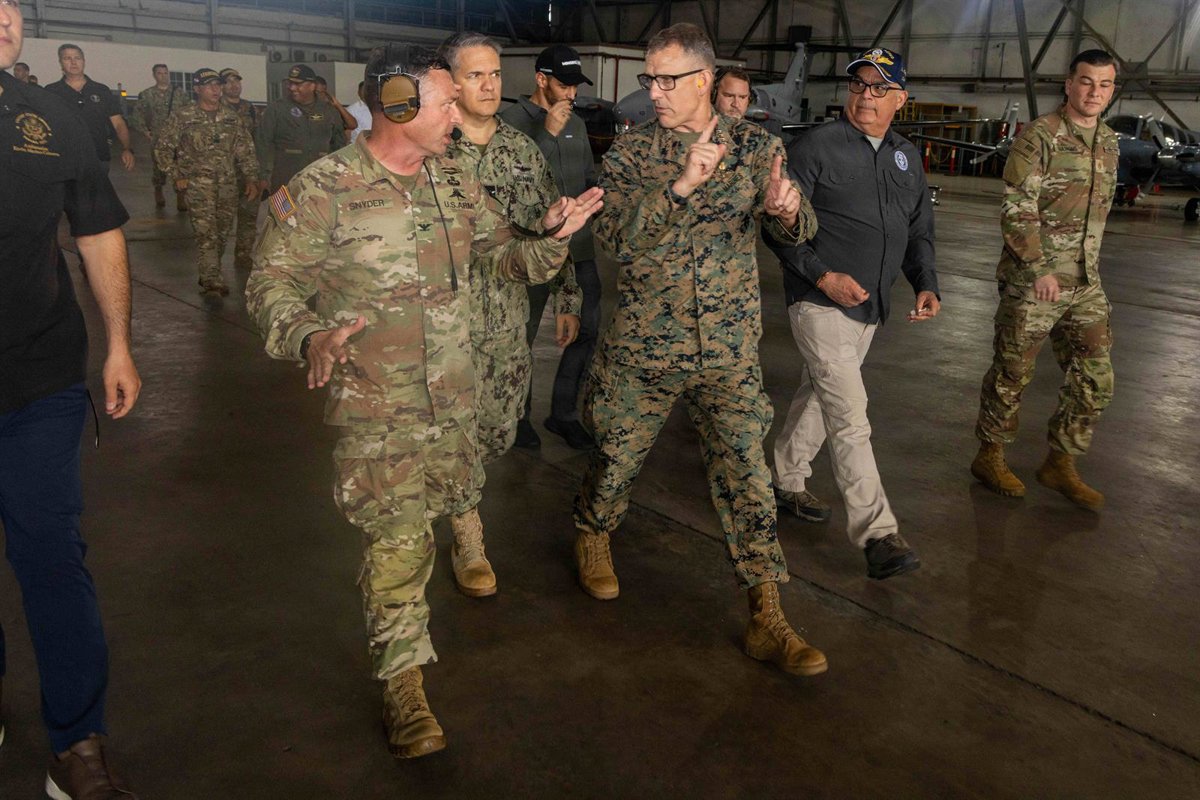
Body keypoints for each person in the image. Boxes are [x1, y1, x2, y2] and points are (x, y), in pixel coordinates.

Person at [245, 44, 603, 759]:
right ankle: (403, 681)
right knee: (400, 543)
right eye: (444, 103)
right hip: (379, 408)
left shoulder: (456, 181)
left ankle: (409, 632)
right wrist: (310, 335)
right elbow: (270, 285)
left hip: (456, 399)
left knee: (435, 517)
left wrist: (553, 238)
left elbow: (502, 256)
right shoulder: (323, 188)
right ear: (397, 103)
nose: (458, 116)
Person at [573, 23, 826, 677]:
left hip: (727, 348)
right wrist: (679, 187)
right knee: (614, 458)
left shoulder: (757, 147)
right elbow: (616, 240)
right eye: (649, 78)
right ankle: (593, 530)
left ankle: (767, 614)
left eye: (668, 79)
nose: (654, 91)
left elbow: (798, 229)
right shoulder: (633, 154)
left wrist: (787, 210)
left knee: (748, 477)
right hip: (643, 346)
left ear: (705, 80)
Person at [1, 2, 143, 795]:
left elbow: (96, 230)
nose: (2, 16)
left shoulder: (49, 116)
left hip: (41, 377)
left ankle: (78, 743)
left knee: (52, 554)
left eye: (10, 2)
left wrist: (119, 343)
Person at [769, 47, 939, 580]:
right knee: (850, 415)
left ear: (900, 99)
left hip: (871, 305)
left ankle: (786, 480)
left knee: (820, 396)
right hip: (819, 301)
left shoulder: (905, 156)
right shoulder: (815, 147)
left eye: (879, 88)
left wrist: (925, 282)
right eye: (859, 85)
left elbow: (918, 228)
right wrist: (823, 276)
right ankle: (878, 535)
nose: (866, 96)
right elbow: (777, 225)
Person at [437, 33, 581, 598]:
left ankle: (457, 498)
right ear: (451, 83)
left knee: (498, 429)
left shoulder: (522, 151)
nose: (489, 84)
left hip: (505, 317)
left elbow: (554, 223)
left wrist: (567, 297)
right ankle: (466, 531)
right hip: (441, 322)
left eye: (495, 73)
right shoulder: (431, 148)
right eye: (475, 75)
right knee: (453, 431)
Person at [970, 50, 1119, 512]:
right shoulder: (1040, 135)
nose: (1094, 92)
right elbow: (1017, 207)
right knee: (1012, 372)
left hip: (1085, 281)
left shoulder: (1108, 141)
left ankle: (1060, 461)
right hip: (1034, 280)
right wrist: (1039, 269)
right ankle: (990, 455)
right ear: (1069, 84)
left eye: (1105, 84)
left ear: (1112, 90)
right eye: (1086, 81)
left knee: (1096, 376)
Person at [501, 44, 601, 451]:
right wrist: (547, 134)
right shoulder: (510, 124)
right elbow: (512, 184)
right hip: (531, 248)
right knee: (521, 336)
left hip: (578, 248)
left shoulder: (577, 122)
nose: (571, 94)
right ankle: (517, 418)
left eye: (576, 86)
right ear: (541, 80)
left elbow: (588, 175)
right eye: (564, 85)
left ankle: (563, 414)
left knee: (587, 330)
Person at [156, 68, 259, 295]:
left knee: (222, 232)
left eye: (218, 85)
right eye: (210, 85)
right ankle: (211, 277)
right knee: (206, 232)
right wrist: (176, 175)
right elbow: (163, 149)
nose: (216, 89)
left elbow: (245, 150)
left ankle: (211, 271)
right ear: (197, 89)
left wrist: (251, 178)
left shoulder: (231, 117)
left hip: (227, 185)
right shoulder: (183, 116)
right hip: (197, 186)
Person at [45, 43, 135, 174]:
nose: (73, 62)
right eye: (67, 58)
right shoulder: (51, 91)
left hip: (98, 156)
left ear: (84, 61)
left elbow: (118, 123)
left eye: (77, 58)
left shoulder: (101, 90)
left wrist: (127, 148)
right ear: (61, 63)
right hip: (64, 158)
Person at [255, 64, 346, 193]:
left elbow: (339, 144)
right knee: (284, 207)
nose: (292, 88)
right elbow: (262, 143)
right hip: (285, 179)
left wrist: (339, 173)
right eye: (290, 83)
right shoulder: (277, 109)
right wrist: (262, 176)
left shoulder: (328, 111)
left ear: (312, 86)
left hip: (320, 179)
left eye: (298, 84)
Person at [133, 63, 192, 210]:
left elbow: (190, 112)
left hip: (178, 137)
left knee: (180, 166)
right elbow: (137, 114)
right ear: (154, 75)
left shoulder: (180, 93)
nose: (163, 76)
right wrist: (145, 131)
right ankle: (158, 190)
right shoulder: (147, 94)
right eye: (160, 73)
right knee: (159, 167)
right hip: (158, 138)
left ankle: (180, 196)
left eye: (165, 73)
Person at [220, 67, 261, 270]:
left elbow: (258, 137)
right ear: (221, 86)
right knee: (222, 219)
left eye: (236, 81)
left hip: (248, 171)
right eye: (228, 81)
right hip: (223, 173)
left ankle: (243, 255)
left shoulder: (250, 108)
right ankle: (214, 261)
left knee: (249, 217)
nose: (234, 85)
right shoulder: (215, 107)